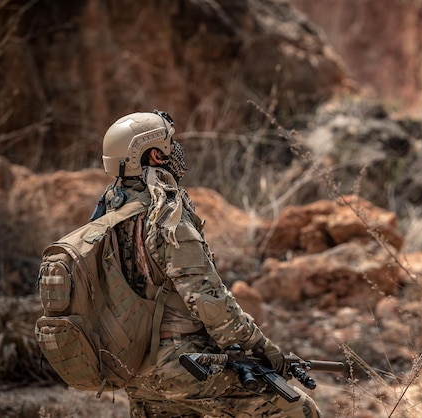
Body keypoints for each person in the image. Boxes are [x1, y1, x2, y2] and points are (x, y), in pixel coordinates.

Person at [97, 110, 321, 417]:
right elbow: (209, 302)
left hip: (132, 367)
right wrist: (264, 348)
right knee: (298, 411)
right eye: (169, 143)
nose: (176, 151)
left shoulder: (107, 217)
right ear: (153, 155)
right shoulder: (166, 216)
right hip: (183, 366)